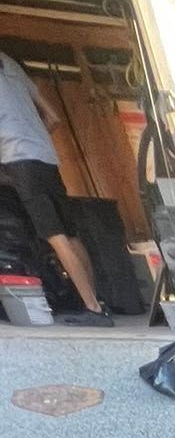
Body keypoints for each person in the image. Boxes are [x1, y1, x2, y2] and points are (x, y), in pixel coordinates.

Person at [0, 50, 111, 324]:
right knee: (70, 234)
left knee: (54, 235)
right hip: (46, 156)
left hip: (19, 159)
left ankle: (93, 309)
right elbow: (53, 118)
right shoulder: (13, 65)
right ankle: (95, 303)